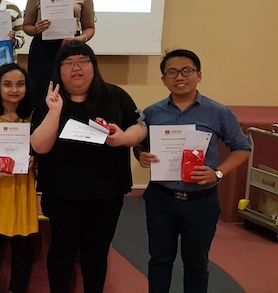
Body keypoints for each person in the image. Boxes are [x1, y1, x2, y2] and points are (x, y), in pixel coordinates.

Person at [30, 41, 146, 293]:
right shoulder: (48, 99)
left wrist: (125, 138)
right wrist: (54, 111)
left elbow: (141, 126)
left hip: (107, 193)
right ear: (58, 70)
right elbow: (39, 146)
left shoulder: (115, 96)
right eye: (68, 63)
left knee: (97, 253)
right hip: (62, 193)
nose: (76, 68)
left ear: (93, 66)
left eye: (83, 61)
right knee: (62, 250)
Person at [135, 49, 250, 293]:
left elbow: (242, 149)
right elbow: (139, 144)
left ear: (199, 75)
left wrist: (217, 173)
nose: (180, 77)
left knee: (196, 263)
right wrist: (141, 155)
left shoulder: (219, 112)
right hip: (161, 198)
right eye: (172, 72)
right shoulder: (152, 113)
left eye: (187, 70)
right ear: (164, 79)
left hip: (201, 201)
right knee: (159, 260)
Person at [0, 63, 37, 293]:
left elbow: (40, 149)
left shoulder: (33, 117)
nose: (14, 90)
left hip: (22, 189)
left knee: (23, 248)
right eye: (8, 84)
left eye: (20, 84)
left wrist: (34, 160)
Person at [23, 0, 95, 109]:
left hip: (71, 48)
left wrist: (80, 39)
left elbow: (89, 27)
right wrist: (36, 29)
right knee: (42, 94)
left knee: (71, 93)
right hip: (43, 50)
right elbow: (26, 26)